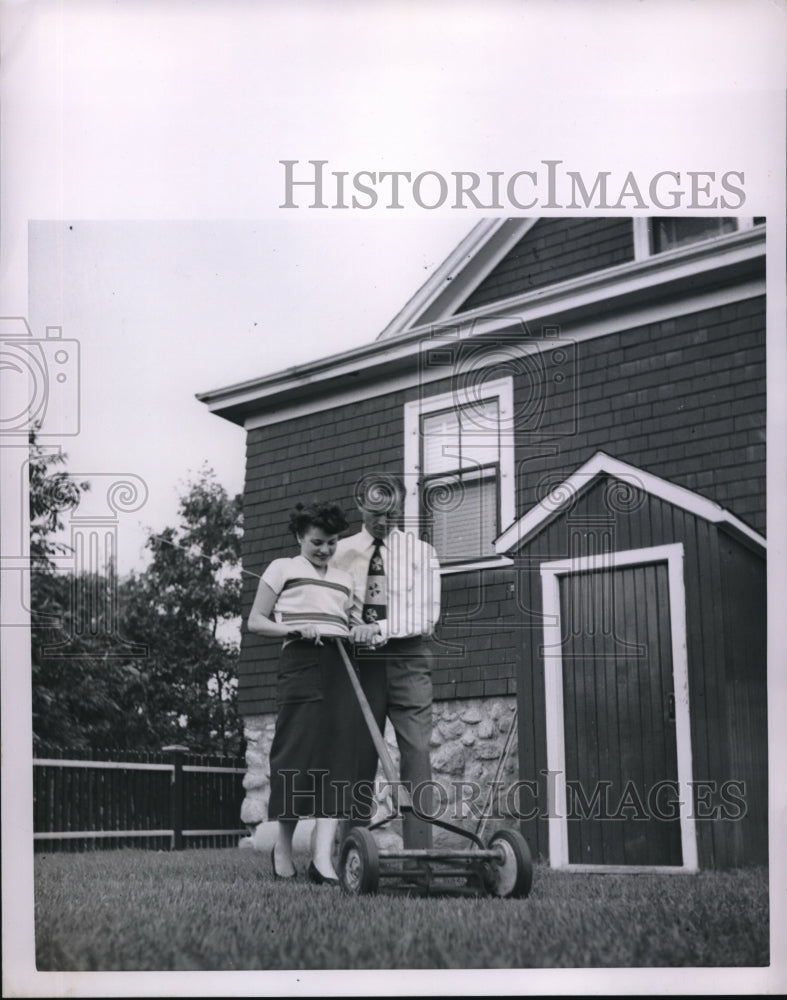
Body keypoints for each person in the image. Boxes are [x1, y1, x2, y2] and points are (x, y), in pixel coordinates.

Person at [247, 499, 360, 885]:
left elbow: (352, 623)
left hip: (341, 665)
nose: (325, 550)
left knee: (337, 759)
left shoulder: (345, 579)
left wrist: (362, 630)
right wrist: (294, 630)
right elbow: (256, 621)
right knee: (295, 756)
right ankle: (283, 846)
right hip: (300, 663)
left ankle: (322, 858)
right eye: (316, 542)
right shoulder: (282, 568)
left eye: (331, 542)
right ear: (299, 537)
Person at [333, 473, 441, 849]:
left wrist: (377, 627)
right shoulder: (339, 553)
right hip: (360, 663)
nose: (385, 521)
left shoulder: (421, 553)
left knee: (418, 751)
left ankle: (420, 854)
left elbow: (425, 617)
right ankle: (350, 850)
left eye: (393, 513)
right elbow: (330, 605)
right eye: (377, 514)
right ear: (360, 504)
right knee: (359, 754)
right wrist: (347, 625)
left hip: (408, 659)